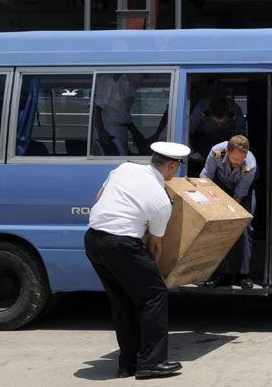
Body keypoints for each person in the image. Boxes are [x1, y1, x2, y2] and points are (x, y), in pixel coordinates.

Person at [84, 141, 190, 380]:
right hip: (121, 244)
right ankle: (151, 362)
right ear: (172, 167)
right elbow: (155, 244)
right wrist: (156, 271)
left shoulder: (124, 168)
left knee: (122, 301)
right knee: (154, 294)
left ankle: (128, 363)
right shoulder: (162, 201)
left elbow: (99, 195)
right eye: (177, 168)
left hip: (92, 239)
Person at [200, 135, 258, 290]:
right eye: (235, 160)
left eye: (241, 160)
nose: (238, 163)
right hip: (220, 188)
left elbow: (239, 194)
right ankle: (223, 274)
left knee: (243, 226)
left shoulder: (250, 165)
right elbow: (205, 179)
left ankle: (243, 275)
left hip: (242, 193)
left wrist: (231, 212)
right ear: (227, 151)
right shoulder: (216, 152)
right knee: (220, 225)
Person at [187, 95, 246, 172]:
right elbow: (187, 132)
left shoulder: (236, 111)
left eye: (222, 123)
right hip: (203, 138)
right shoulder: (201, 108)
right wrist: (191, 153)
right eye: (215, 122)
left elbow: (240, 138)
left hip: (225, 138)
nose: (219, 125)